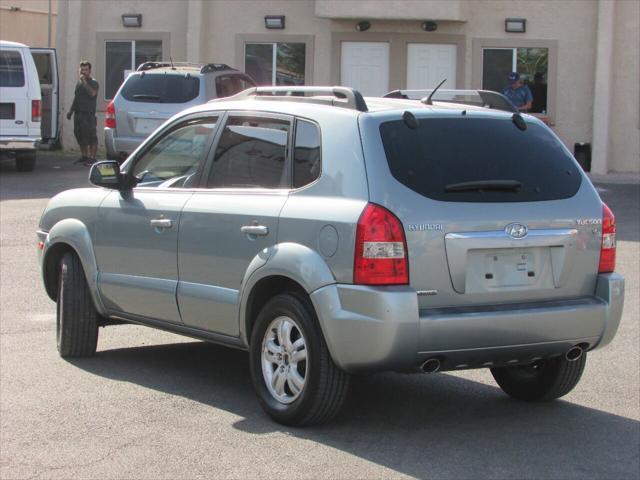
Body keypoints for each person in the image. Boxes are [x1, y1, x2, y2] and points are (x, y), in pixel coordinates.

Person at [66, 61, 99, 166]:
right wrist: (71, 111)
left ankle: (92, 158)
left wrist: (85, 82)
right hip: (78, 114)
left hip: (88, 115)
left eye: (85, 70)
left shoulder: (93, 82)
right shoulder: (79, 84)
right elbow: (76, 98)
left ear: (89, 71)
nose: (83, 72)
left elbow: (93, 93)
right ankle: (84, 156)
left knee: (91, 137)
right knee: (80, 135)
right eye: (81, 70)